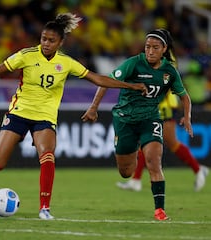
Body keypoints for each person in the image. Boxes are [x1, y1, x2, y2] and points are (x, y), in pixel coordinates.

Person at [0, 13, 147, 220]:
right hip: (19, 112)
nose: (46, 43)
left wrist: (130, 85)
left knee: (47, 156)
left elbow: (97, 78)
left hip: (45, 116)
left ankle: (44, 208)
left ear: (60, 42)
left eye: (51, 40)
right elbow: (0, 69)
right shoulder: (27, 55)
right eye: (43, 39)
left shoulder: (66, 62)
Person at [81, 28, 193, 221]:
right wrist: (93, 108)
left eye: (155, 47)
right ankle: (131, 157)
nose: (150, 51)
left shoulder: (169, 71)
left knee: (154, 162)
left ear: (164, 49)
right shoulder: (134, 63)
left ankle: (160, 210)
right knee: (126, 172)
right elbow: (106, 81)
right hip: (125, 119)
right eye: (147, 46)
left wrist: (187, 117)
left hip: (150, 119)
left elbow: (185, 96)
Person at [116, 91, 209, 193]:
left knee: (172, 143)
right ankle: (136, 180)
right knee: (145, 144)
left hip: (164, 108)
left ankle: (198, 170)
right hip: (156, 107)